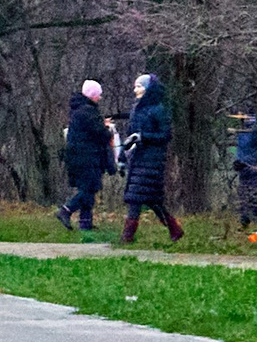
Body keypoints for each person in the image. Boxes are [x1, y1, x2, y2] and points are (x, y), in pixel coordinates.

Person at [121, 72, 184, 242]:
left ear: (149, 89)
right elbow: (130, 134)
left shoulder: (159, 110)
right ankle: (175, 229)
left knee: (137, 198)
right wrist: (123, 156)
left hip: (152, 161)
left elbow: (165, 135)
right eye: (136, 86)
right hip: (137, 159)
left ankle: (127, 237)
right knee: (152, 200)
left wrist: (144, 137)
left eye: (140, 86)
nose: (136, 90)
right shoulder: (137, 109)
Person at [59, 81, 113, 232]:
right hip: (87, 157)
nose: (99, 98)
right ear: (93, 96)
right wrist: (108, 129)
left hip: (78, 156)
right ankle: (66, 210)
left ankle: (85, 224)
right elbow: (101, 135)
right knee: (89, 189)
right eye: (98, 95)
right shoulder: (89, 112)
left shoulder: (79, 110)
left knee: (87, 189)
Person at [233, 111, 257, 229]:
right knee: (243, 194)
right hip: (243, 170)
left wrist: (248, 162)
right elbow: (240, 149)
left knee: (255, 194)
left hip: (254, 169)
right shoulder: (241, 132)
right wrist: (238, 161)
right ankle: (244, 221)